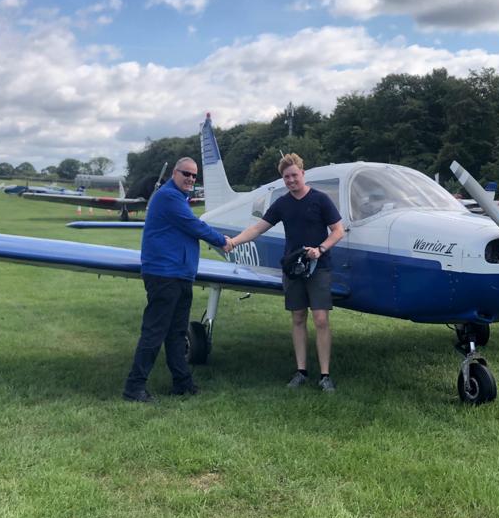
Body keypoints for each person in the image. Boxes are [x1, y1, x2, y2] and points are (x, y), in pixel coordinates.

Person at [228, 153, 345, 392]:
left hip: (318, 267)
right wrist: (234, 242)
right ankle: (301, 371)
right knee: (298, 317)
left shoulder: (321, 200)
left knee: (321, 319)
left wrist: (320, 249)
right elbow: (258, 228)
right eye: (286, 177)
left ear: (302, 173)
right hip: (293, 268)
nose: (291, 180)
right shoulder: (282, 204)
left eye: (294, 175)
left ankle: (325, 375)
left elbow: (338, 231)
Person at [123, 157, 230, 402]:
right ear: (174, 173)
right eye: (186, 174)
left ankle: (182, 383)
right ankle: (134, 388)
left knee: (177, 332)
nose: (191, 179)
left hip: (180, 275)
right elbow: (195, 226)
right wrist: (223, 241)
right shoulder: (169, 197)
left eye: (194, 176)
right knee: (154, 332)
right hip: (164, 275)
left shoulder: (178, 198)